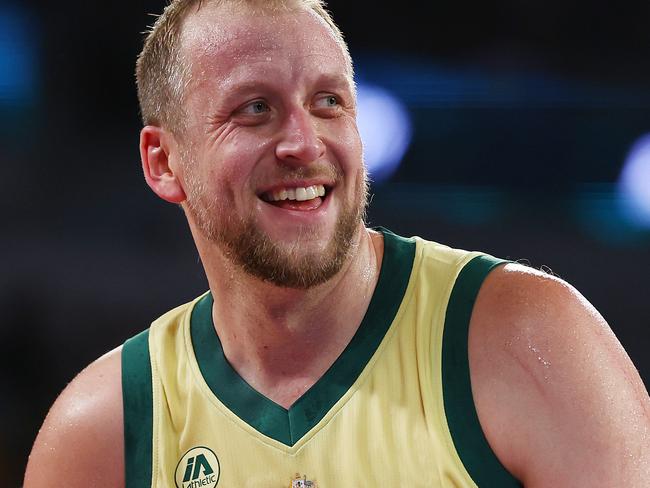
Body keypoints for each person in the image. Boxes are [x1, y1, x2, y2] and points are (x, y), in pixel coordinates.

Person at [24, 0, 650, 486]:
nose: (305, 142)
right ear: (164, 161)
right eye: (254, 109)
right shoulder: (103, 431)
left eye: (328, 102)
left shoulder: (533, 342)